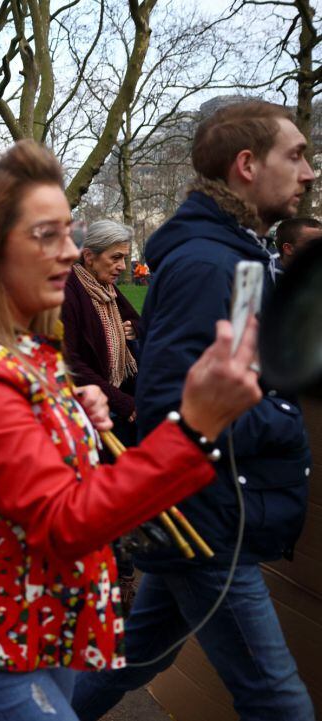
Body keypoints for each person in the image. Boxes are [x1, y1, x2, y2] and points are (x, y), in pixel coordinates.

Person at [0, 139, 267, 721]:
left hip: (50, 612)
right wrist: (194, 429)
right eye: (47, 235)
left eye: (69, 232)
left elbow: (43, 479)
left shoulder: (27, 350)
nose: (71, 253)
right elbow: (63, 519)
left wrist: (71, 421)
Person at [73, 101, 315, 721]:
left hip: (207, 512)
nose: (309, 171)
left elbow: (240, 369)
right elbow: (172, 405)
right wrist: (288, 420)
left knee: (138, 658)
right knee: (278, 700)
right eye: (297, 155)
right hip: (208, 521)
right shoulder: (212, 263)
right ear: (246, 165)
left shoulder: (241, 254)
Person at [61, 220, 141, 444]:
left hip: (116, 402)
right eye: (115, 258)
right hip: (92, 412)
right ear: (89, 257)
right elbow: (70, 362)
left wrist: (134, 328)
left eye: (124, 258)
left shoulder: (107, 288)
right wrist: (121, 402)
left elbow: (139, 321)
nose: (123, 266)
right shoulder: (69, 292)